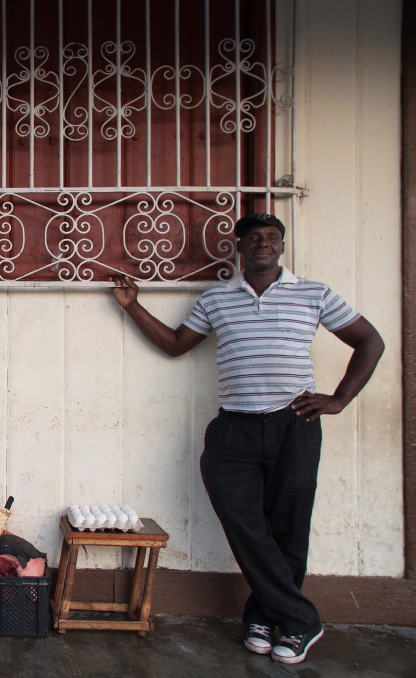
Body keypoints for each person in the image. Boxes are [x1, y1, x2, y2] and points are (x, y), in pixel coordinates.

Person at [110, 212, 384, 665]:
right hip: (234, 426)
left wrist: (339, 399)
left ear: (281, 246)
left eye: (272, 237)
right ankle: (299, 620)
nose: (263, 243)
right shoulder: (217, 299)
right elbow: (177, 344)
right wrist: (131, 304)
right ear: (239, 246)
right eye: (254, 237)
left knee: (288, 529)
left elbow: (369, 340)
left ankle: (266, 616)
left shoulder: (314, 294)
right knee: (244, 523)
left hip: (294, 424)